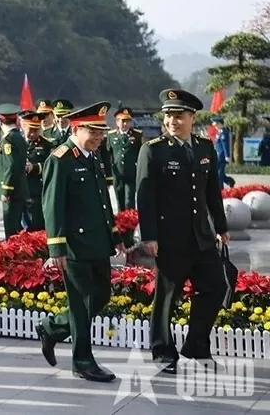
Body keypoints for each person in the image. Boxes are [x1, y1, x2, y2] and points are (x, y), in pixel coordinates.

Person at [136, 89, 229, 374]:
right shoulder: (154, 149)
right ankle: (163, 352)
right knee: (167, 295)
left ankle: (197, 345)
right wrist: (149, 236)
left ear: (192, 117)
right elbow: (145, 197)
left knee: (216, 286)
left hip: (200, 235)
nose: (172, 121)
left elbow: (212, 190)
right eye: (168, 116)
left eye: (179, 116)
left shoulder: (203, 147)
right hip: (169, 237)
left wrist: (221, 226)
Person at [35, 101, 125, 383]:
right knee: (81, 301)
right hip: (74, 245)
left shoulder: (94, 156)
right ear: (77, 127)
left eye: (101, 133)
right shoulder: (60, 159)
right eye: (93, 132)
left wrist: (115, 234)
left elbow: (102, 201)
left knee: (101, 297)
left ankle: (52, 327)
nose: (99, 138)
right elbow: (52, 205)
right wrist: (56, 247)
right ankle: (82, 360)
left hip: (97, 242)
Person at [0, 104, 28, 237]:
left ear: (0, 120)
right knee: (16, 228)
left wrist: (6, 190)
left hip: (12, 193)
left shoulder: (8, 140)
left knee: (11, 230)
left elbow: (11, 165)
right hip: (18, 190)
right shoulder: (18, 137)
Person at [18, 110, 53, 231]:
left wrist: (35, 167)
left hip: (35, 190)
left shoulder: (47, 145)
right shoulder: (15, 141)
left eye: (36, 130)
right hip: (17, 190)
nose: (33, 134)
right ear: (23, 126)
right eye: (30, 130)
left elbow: (51, 166)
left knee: (35, 226)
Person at [104, 107, 142, 210]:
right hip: (117, 173)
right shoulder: (111, 135)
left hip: (131, 172)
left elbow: (140, 153)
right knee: (119, 199)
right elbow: (108, 154)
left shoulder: (137, 135)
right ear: (117, 122)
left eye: (127, 121)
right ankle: (121, 222)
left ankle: (130, 221)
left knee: (129, 200)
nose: (125, 124)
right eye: (122, 121)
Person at [211, 116, 235, 187]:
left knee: (219, 173)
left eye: (215, 123)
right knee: (219, 172)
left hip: (221, 156)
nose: (214, 125)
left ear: (219, 123)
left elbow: (225, 145)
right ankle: (229, 181)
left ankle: (220, 189)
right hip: (218, 155)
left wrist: (227, 156)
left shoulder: (224, 133)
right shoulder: (220, 132)